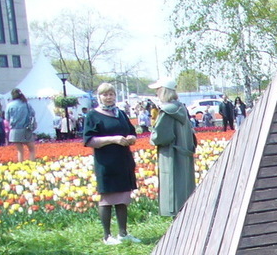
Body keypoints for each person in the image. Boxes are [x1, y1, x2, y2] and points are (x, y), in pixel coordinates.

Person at [84, 83, 139, 245]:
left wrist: (131, 139)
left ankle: (123, 233)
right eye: (105, 95)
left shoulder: (120, 114)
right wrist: (113, 139)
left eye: (111, 94)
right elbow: (89, 140)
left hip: (123, 160)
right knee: (107, 199)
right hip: (106, 162)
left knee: (122, 197)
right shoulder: (93, 116)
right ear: (99, 97)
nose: (108, 97)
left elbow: (131, 132)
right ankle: (107, 236)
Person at [149, 77, 197, 217]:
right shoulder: (181, 107)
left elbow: (160, 137)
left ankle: (176, 217)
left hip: (171, 155)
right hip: (184, 153)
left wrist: (152, 136)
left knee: (173, 189)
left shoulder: (166, 111)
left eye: (158, 90)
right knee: (184, 188)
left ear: (163, 91)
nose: (156, 94)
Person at [6, 88, 36, 162]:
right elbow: (33, 114)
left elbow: (7, 118)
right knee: (31, 149)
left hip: (15, 130)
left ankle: (21, 166)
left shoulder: (10, 105)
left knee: (20, 151)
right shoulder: (26, 104)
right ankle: (32, 164)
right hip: (26, 129)